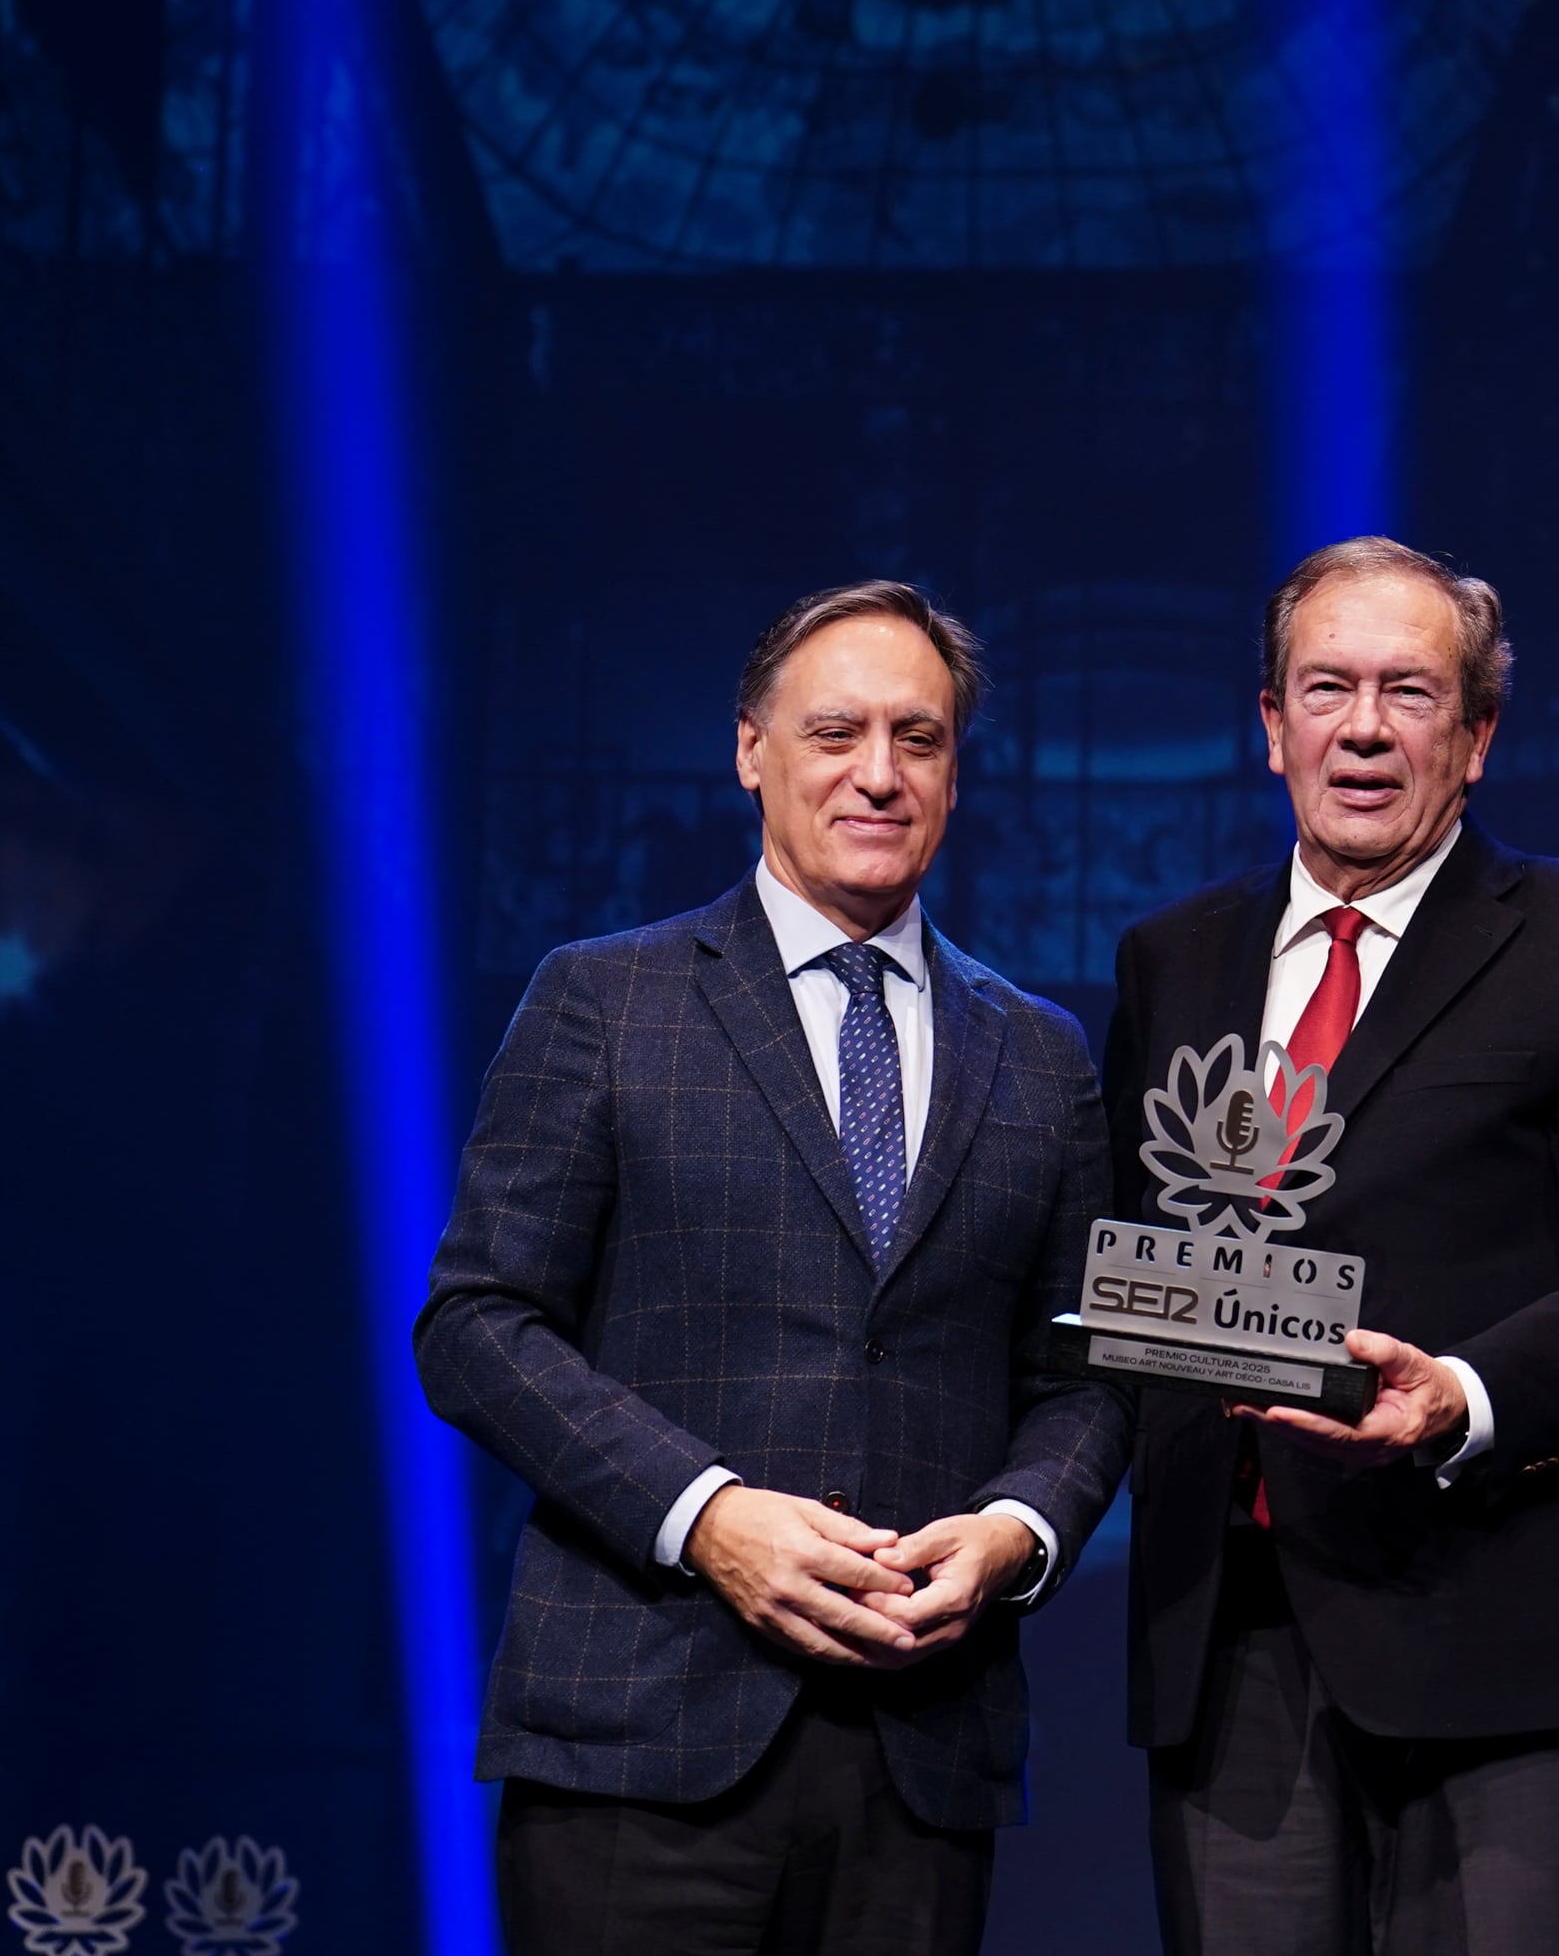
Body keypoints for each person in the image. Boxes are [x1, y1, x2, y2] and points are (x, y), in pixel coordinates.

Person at [417, 580, 1127, 1955]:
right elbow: (477, 1323)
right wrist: (705, 1512)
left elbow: (1082, 1373)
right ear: (751, 749)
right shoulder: (603, 996)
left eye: (918, 740)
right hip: (640, 1732)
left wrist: (1017, 1535)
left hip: (922, 1751)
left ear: (956, 772)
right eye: (836, 732)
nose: (878, 773)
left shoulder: (1040, 1052)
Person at [1105, 537, 1559, 1955]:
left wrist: (1463, 1394)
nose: (1367, 727)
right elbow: (1133, 1260)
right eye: (1327, 688)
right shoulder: (1172, 959)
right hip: (1231, 1643)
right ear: (1271, 728)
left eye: (1410, 691)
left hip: (1494, 1627)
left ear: (1477, 737)